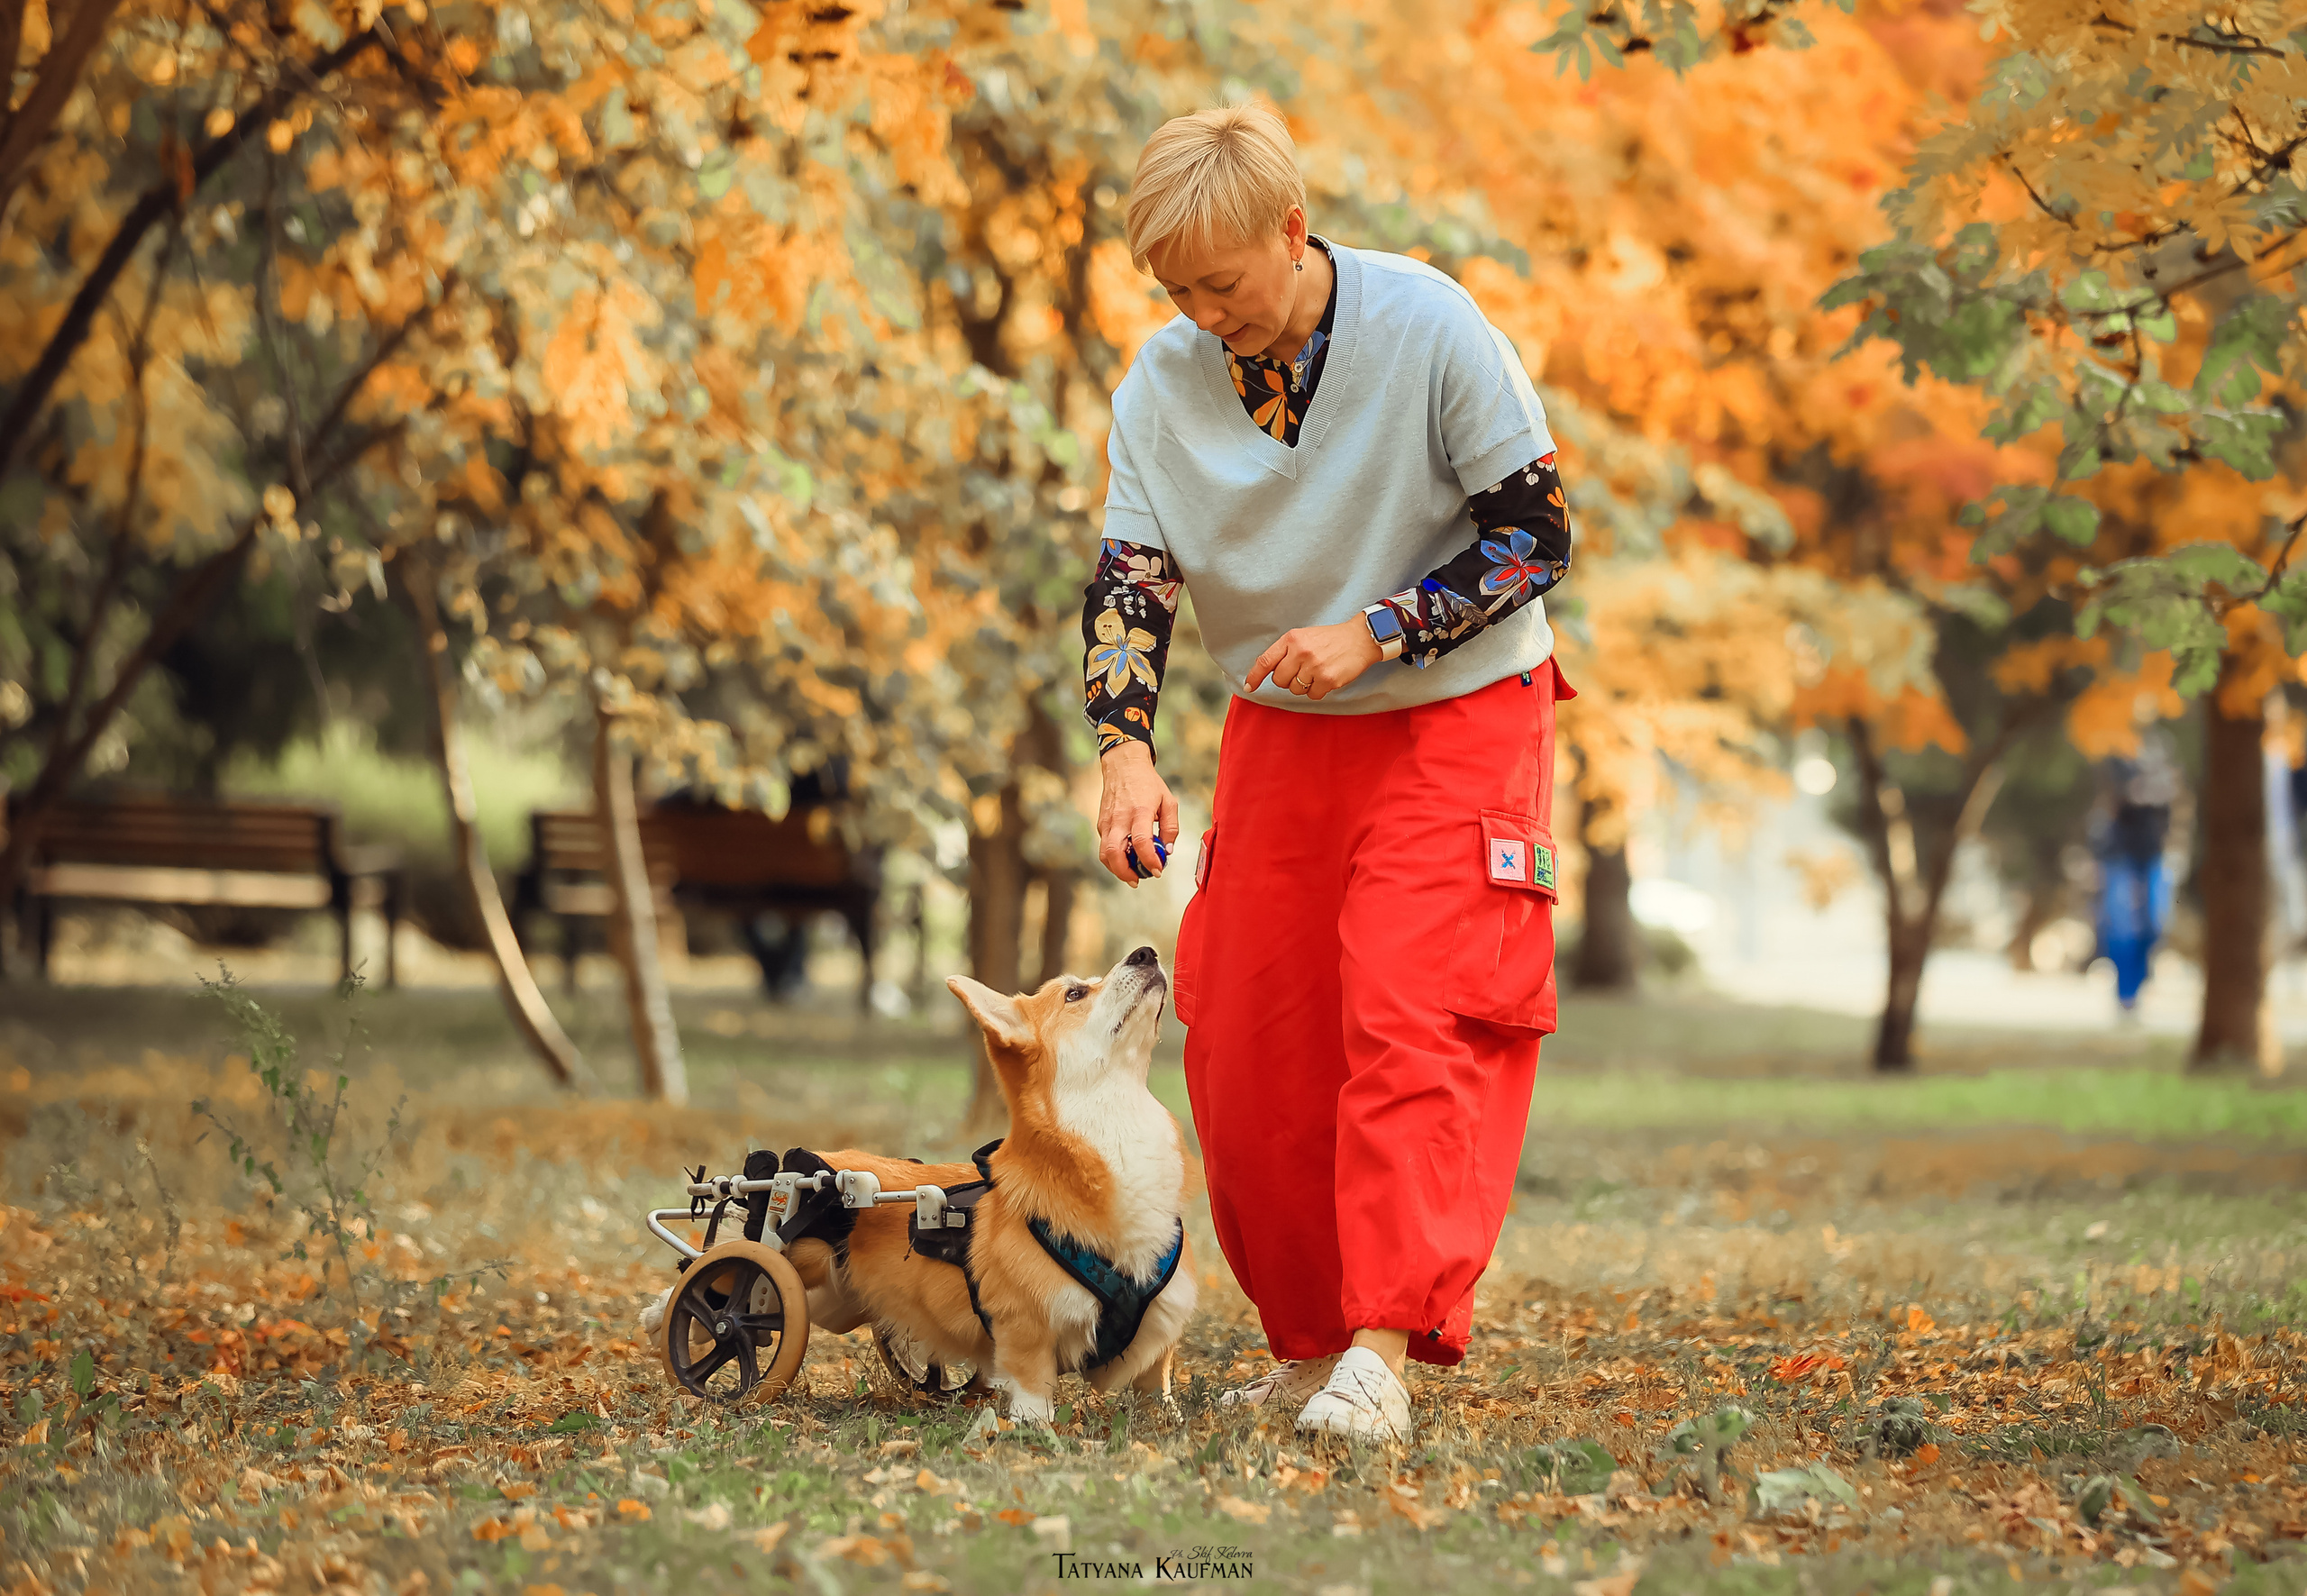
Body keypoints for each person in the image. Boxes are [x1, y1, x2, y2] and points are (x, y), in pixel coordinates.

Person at [1084, 103, 1574, 1442]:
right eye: (1175, 289)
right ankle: (1310, 1342)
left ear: (1292, 231)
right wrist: (1126, 750)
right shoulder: (1161, 381)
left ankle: (1380, 1350)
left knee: (1410, 1010)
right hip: (1285, 724)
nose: (1201, 313)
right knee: (1249, 1043)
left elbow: (1536, 533)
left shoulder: (1429, 325)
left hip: (1459, 707)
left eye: (1222, 283)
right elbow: (1135, 582)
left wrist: (1383, 626)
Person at [2092, 734, 2178, 1016]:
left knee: (2154, 923)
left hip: (2154, 853)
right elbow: (2114, 799)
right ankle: (2125, 994)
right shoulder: (2114, 752)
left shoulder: (2163, 749)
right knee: (2121, 927)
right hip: (2119, 854)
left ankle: (2140, 985)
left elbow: (2173, 801)